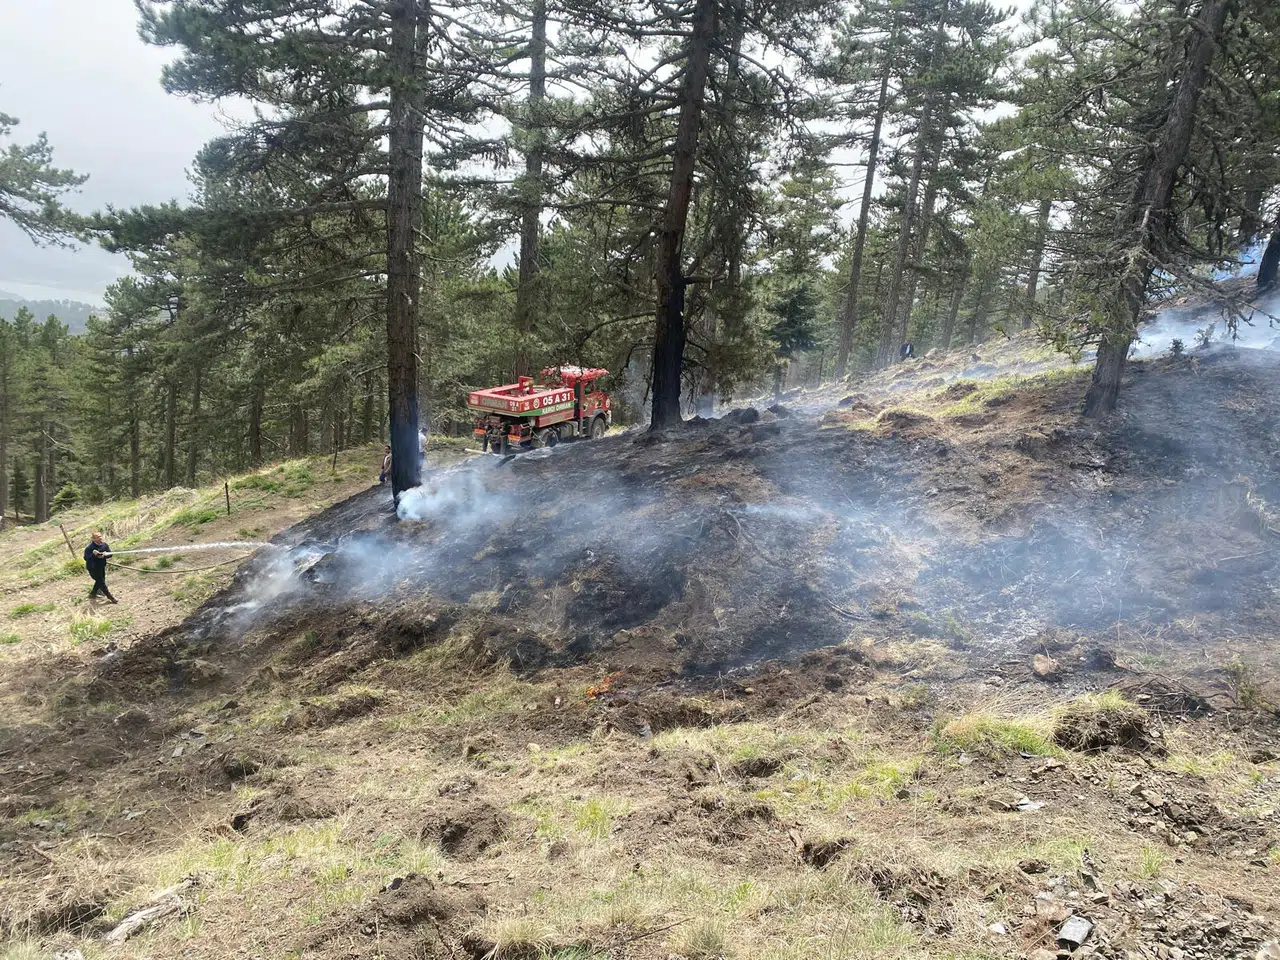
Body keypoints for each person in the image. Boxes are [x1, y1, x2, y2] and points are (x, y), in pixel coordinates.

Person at [84, 531, 117, 604]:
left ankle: (93, 593)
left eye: (100, 536)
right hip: (93, 567)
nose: (100, 538)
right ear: (93, 539)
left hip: (101, 566)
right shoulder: (89, 548)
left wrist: (105, 555)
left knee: (100, 581)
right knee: (101, 582)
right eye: (98, 537)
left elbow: (110, 554)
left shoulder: (104, 545)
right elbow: (86, 558)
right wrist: (93, 555)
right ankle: (110, 597)